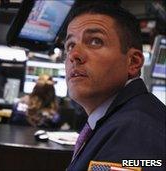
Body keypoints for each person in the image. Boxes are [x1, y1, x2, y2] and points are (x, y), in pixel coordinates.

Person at [62, 3, 166, 171]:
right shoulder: (122, 119)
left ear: (133, 62)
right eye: (70, 45)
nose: (74, 55)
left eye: (95, 41)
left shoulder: (134, 133)